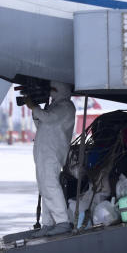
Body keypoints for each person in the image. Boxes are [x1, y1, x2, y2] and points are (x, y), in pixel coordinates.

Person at [24, 81, 77, 237]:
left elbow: (48, 118)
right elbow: (41, 124)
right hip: (44, 152)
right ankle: (48, 223)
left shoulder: (66, 106)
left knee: (50, 185)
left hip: (52, 152)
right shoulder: (55, 106)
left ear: (61, 90)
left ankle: (62, 221)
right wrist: (36, 111)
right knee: (45, 187)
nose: (51, 93)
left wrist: (34, 107)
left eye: (53, 89)